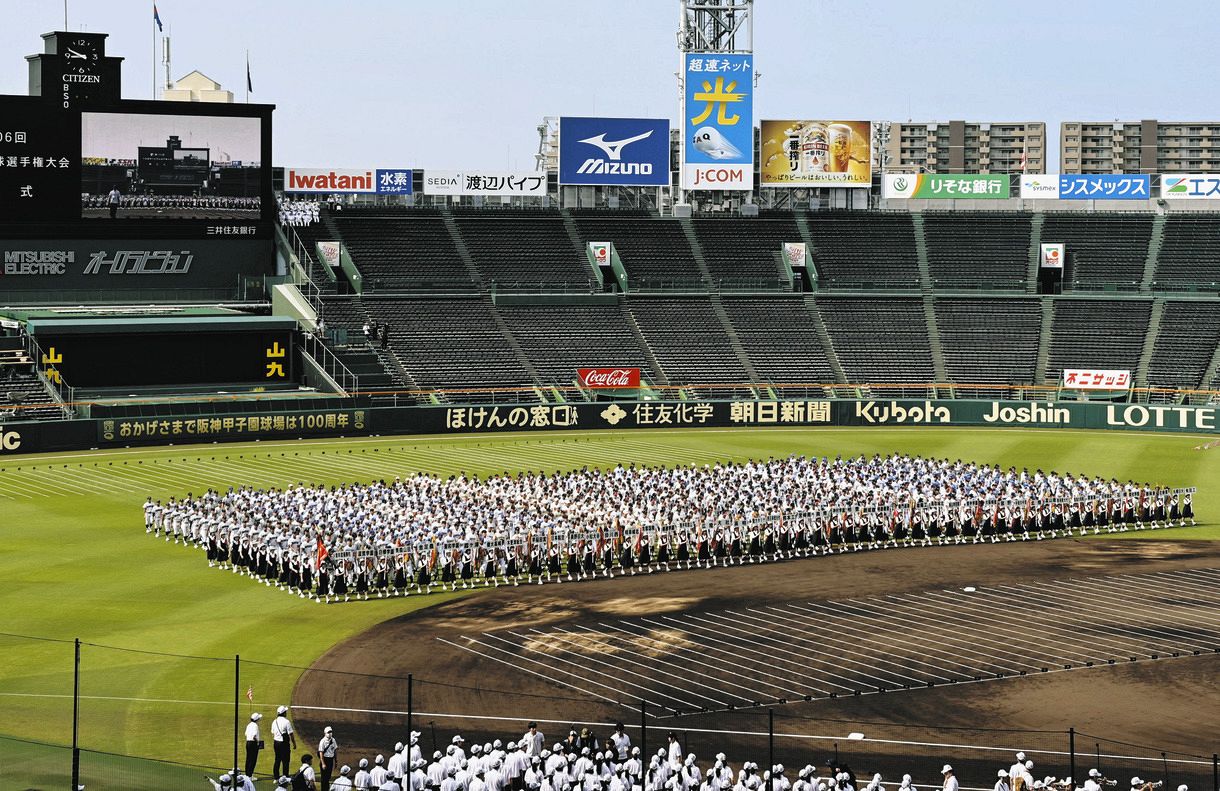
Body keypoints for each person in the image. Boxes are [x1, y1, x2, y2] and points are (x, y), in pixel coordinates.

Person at [273, 705, 298, 779]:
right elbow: (291, 734)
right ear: (283, 713)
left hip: (276, 742)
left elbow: (273, 732)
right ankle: (285, 776)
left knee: (277, 760)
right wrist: (294, 743)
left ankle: (276, 777)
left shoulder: (275, 721)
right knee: (285, 760)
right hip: (284, 744)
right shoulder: (286, 722)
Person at [320, 726, 340, 791]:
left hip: (330, 760)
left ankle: (326, 789)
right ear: (325, 733)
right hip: (325, 760)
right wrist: (323, 763)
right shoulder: (322, 741)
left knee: (328, 776)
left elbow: (335, 751)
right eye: (328, 732)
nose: (330, 733)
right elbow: (321, 753)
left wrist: (336, 761)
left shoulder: (333, 740)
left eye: (331, 732)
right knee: (324, 777)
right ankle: (323, 789)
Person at [246, 712, 265, 777]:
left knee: (248, 759)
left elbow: (246, 734)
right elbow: (254, 736)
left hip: (248, 743)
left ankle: (247, 774)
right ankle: (250, 776)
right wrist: (258, 742)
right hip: (253, 744)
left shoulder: (249, 725)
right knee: (253, 760)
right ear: (257, 719)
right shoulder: (255, 726)